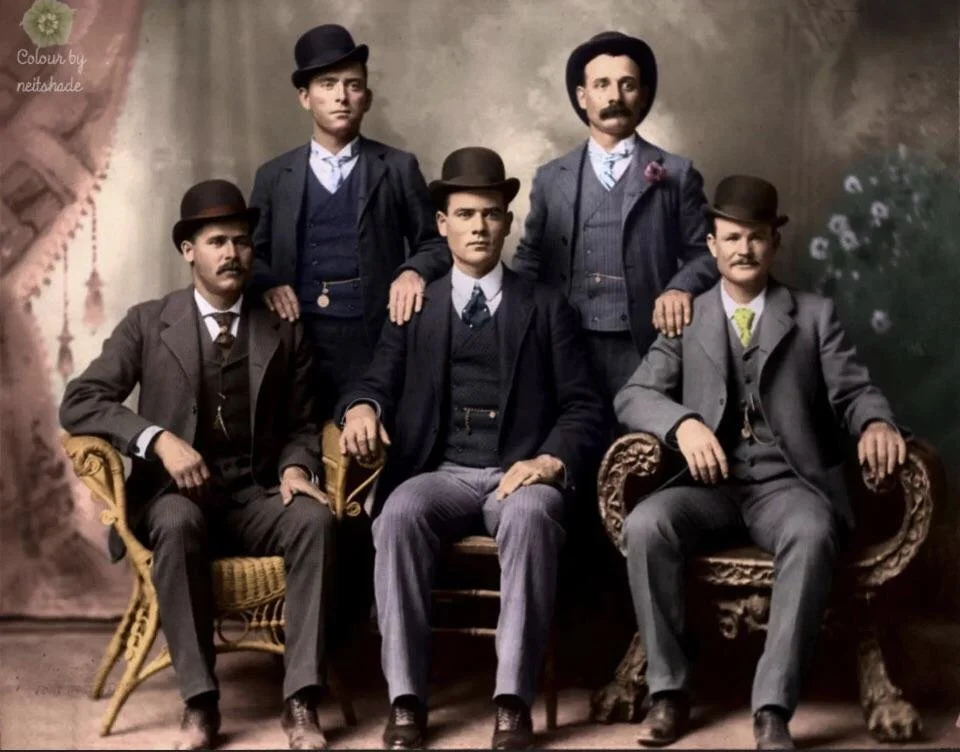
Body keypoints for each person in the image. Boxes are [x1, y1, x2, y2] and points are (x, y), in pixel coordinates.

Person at [614, 175, 907, 749]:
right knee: (647, 524)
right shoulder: (688, 316)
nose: (743, 249)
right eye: (731, 237)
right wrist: (684, 424)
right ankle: (668, 694)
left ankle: (772, 706)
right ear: (712, 244)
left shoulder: (815, 315)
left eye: (756, 237)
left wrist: (876, 422)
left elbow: (853, 392)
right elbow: (633, 395)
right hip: (708, 486)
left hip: (786, 485)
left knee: (813, 530)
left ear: (773, 243)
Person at [337, 147, 605, 750]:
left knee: (535, 514)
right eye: (464, 215)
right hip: (442, 472)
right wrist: (360, 408)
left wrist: (546, 461)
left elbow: (585, 406)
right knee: (398, 513)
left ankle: (512, 701)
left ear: (508, 221)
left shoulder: (546, 308)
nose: (478, 227)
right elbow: (374, 381)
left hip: (519, 474)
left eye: (490, 214)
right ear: (442, 225)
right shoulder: (416, 306)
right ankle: (406, 700)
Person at [60, 180, 335, 750]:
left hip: (258, 494)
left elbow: (304, 424)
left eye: (241, 242)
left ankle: (301, 699)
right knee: (179, 524)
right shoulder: (148, 322)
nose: (231, 254)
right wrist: (156, 439)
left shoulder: (280, 326)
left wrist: (295, 469)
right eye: (216, 242)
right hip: (178, 498)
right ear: (189, 250)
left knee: (314, 521)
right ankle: (200, 702)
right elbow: (80, 400)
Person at [248, 23, 451, 414]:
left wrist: (413, 271)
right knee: (302, 446)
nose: (341, 96)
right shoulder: (274, 176)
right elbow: (250, 256)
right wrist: (269, 282)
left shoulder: (397, 167)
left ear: (368, 98)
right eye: (327, 84)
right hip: (297, 341)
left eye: (353, 85)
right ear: (305, 98)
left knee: (371, 447)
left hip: (374, 342)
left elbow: (435, 242)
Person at [513, 30, 718, 406]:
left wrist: (679, 289)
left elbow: (705, 254)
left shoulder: (676, 173)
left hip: (646, 344)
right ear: (582, 96)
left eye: (627, 85)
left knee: (640, 449)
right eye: (602, 84)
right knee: (575, 443)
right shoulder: (550, 176)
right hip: (566, 343)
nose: (614, 97)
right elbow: (530, 259)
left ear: (641, 96)